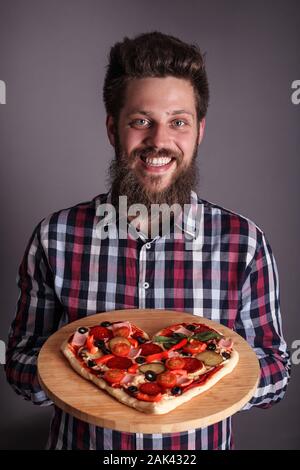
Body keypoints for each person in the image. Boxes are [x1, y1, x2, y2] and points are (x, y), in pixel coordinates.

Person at [5, 31, 290, 450]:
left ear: (199, 131)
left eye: (178, 122)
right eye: (141, 121)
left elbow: (277, 373)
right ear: (112, 129)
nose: (159, 141)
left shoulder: (244, 243)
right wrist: (97, 369)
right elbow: (21, 368)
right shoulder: (56, 237)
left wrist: (183, 375)